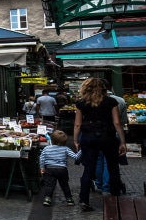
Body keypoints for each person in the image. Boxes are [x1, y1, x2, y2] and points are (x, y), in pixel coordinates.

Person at [73, 77, 126, 211]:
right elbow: (117, 122)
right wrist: (122, 141)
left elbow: (78, 124)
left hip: (89, 137)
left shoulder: (81, 103)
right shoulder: (111, 101)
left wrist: (76, 140)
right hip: (108, 137)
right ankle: (114, 197)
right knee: (113, 167)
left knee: (88, 168)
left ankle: (84, 199)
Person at [39, 129, 79, 207]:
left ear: (52, 140)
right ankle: (69, 199)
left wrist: (42, 168)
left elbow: (41, 158)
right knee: (64, 185)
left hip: (49, 169)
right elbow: (75, 157)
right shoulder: (66, 149)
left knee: (49, 185)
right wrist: (82, 150)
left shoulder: (46, 149)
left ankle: (47, 199)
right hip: (62, 170)